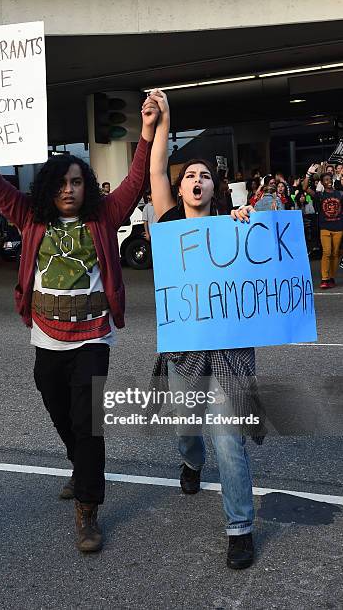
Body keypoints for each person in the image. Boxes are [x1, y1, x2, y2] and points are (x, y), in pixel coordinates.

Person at [0, 95, 159, 553]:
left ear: (87, 187)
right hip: (47, 336)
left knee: (89, 425)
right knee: (59, 409)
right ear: (47, 188)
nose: (69, 190)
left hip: (94, 337)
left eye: (77, 182)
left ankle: (87, 509)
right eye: (61, 183)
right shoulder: (29, 217)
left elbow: (137, 181)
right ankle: (78, 464)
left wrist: (147, 130)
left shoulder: (104, 216)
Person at [147, 89, 264, 570]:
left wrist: (248, 224)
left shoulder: (231, 228)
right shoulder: (170, 222)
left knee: (227, 437)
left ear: (217, 190)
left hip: (227, 355)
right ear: (179, 191)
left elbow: (260, 269)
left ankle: (240, 528)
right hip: (184, 353)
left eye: (206, 177)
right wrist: (163, 121)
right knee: (186, 427)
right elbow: (155, 170)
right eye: (190, 176)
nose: (198, 181)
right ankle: (189, 462)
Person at [303, 164, 343, 289]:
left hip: (338, 227)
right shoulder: (319, 195)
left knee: (336, 253)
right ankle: (325, 278)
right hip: (325, 227)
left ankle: (331, 277)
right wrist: (309, 174)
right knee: (327, 252)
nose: (329, 182)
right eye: (326, 180)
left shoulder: (340, 194)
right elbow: (305, 187)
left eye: (330, 180)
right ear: (322, 183)